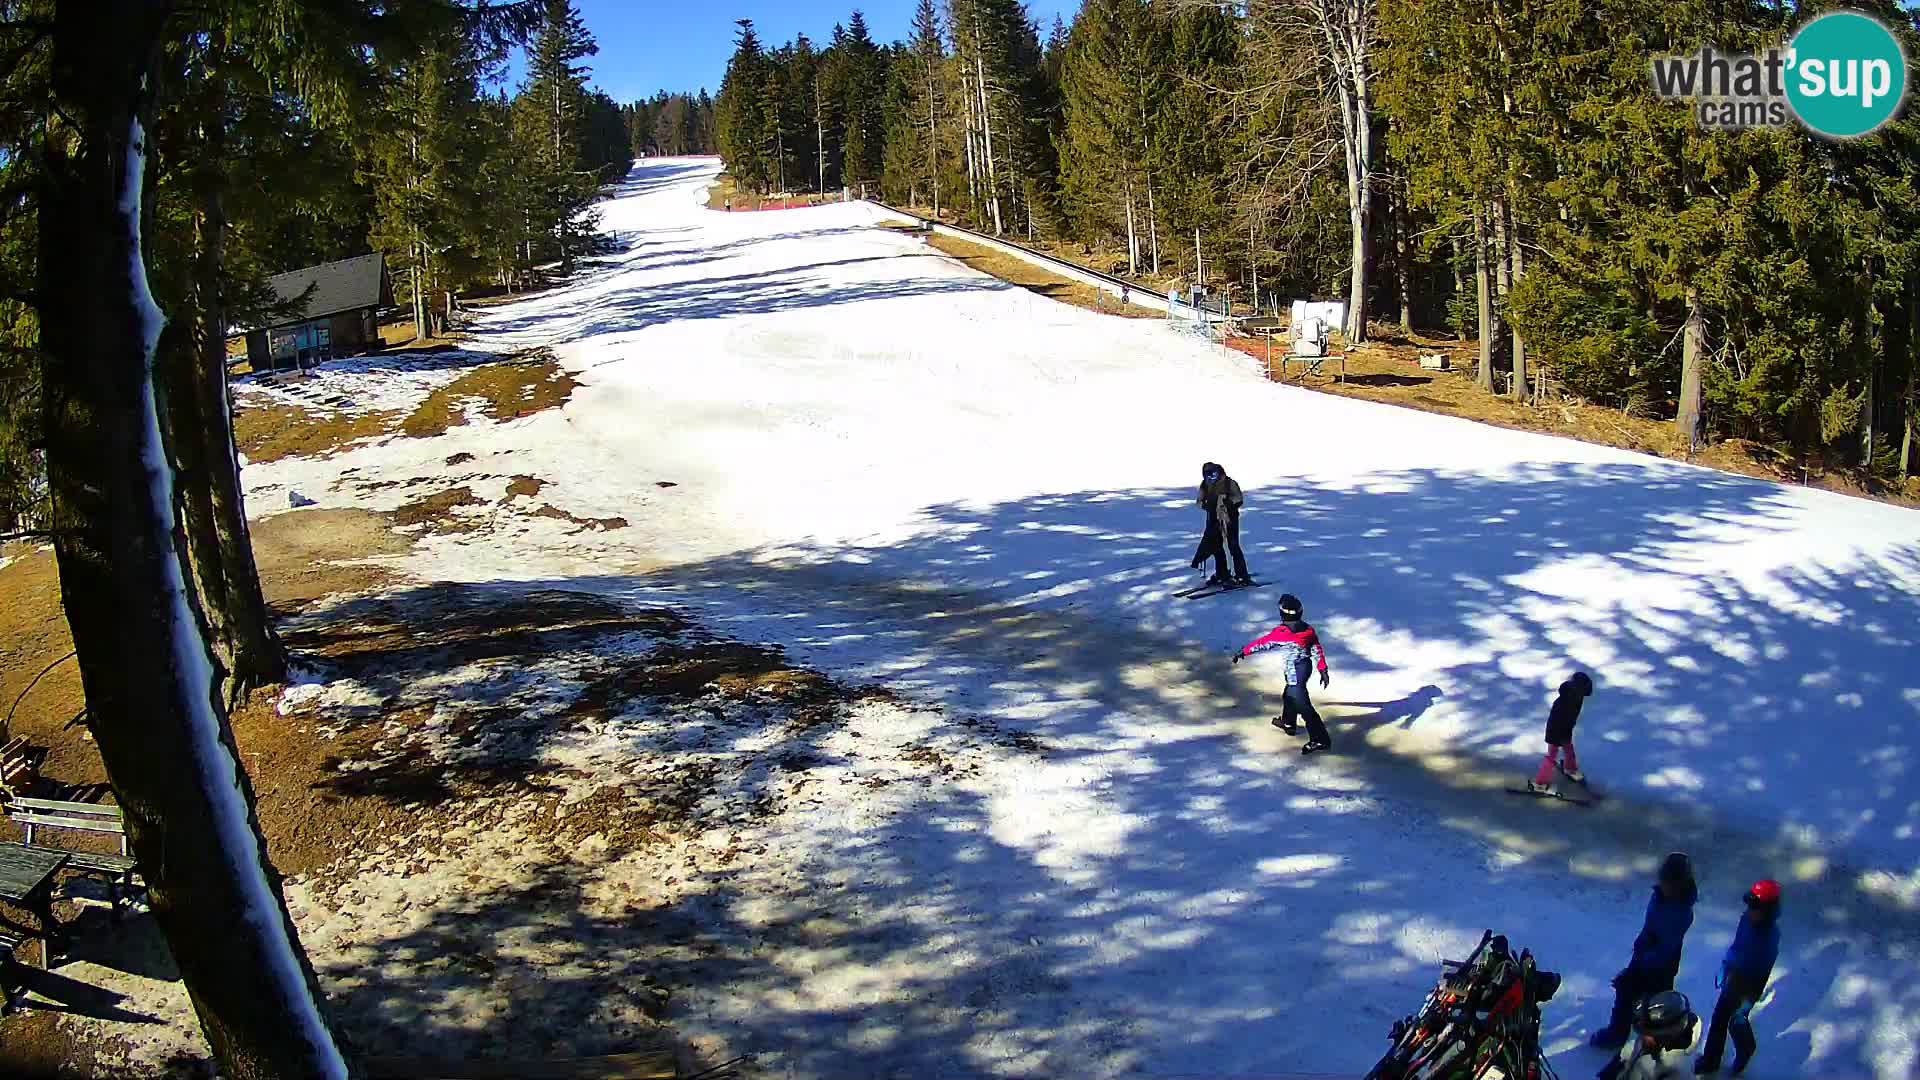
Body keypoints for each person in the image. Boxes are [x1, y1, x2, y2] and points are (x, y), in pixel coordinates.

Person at [1590, 853, 1699, 1049]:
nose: (1664, 885)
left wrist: (1643, 960)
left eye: (1669, 883)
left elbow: (1666, 945)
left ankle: (1654, 1042)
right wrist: (1641, 945)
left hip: (1660, 965)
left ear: (1680, 885)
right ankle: (1618, 1033)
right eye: (1663, 880)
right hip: (1644, 953)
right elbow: (1650, 926)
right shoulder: (1659, 897)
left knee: (1651, 1003)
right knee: (1626, 990)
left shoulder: (1682, 912)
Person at [1695, 880, 1782, 1076]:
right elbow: (1737, 947)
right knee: (1718, 1019)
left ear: (1768, 910)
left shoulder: (1769, 938)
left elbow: (1759, 967)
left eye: (1756, 906)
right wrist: (1727, 967)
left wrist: (1746, 989)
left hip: (1748, 985)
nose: (1751, 910)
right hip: (1734, 977)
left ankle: (1746, 1048)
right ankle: (1711, 1060)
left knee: (1737, 1021)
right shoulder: (1746, 920)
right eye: (1750, 904)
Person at [1231, 593, 1333, 753]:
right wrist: (1322, 669)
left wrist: (1243, 651)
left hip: (1295, 674)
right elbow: (1316, 649)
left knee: (1304, 707)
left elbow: (1262, 643)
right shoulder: (1308, 629)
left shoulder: (1282, 633)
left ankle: (1321, 739)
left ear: (1282, 615)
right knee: (1288, 696)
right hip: (1305, 669)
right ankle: (1288, 722)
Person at [1527, 671, 1593, 794]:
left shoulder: (1577, 696)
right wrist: (1561, 735)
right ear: (1577, 688)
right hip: (1555, 731)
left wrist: (1567, 731)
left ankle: (1570, 769)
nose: (1585, 694)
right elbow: (1558, 719)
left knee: (1569, 750)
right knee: (1552, 756)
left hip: (1566, 730)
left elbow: (1570, 717)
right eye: (1583, 690)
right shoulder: (1565, 701)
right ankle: (1541, 784)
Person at [1190, 462, 1251, 587]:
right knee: (1216, 546)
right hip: (1213, 519)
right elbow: (1199, 501)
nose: (1211, 478)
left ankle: (1242, 575)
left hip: (1230, 518)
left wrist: (1228, 503)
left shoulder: (1229, 483)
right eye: (1207, 476)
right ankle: (1222, 574)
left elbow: (1239, 498)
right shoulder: (1205, 485)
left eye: (1213, 475)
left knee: (1233, 545)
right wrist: (1206, 506)